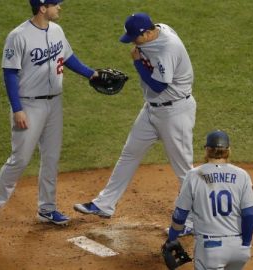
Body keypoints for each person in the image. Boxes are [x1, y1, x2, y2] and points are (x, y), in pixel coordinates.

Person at [74, 12, 196, 235]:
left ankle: (194, 220)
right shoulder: (158, 28)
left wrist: (138, 63)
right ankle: (105, 204)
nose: (132, 42)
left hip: (175, 112)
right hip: (151, 109)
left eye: (135, 38)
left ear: (148, 33)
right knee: (129, 154)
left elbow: (160, 86)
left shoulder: (167, 47)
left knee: (184, 170)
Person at [0, 0, 98, 232]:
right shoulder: (18, 36)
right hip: (28, 105)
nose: (60, 7)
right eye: (56, 4)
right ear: (43, 8)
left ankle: (47, 208)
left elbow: (67, 57)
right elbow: (10, 74)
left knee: (51, 158)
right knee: (20, 160)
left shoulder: (57, 30)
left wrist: (91, 74)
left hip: (54, 103)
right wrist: (17, 109)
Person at [163, 130, 253, 269]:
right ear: (228, 150)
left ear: (207, 150)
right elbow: (249, 213)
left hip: (210, 249)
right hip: (239, 250)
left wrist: (172, 237)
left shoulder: (194, 175)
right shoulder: (242, 175)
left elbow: (180, 214)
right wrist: (246, 244)